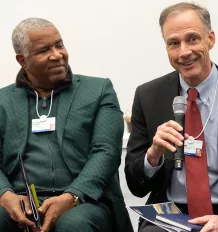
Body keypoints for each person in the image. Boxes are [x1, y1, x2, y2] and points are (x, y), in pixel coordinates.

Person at [125, 2, 218, 232]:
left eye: (193, 39)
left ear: (211, 39)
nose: (184, 52)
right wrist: (153, 154)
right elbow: (136, 185)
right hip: (171, 214)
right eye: (173, 43)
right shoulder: (148, 97)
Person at [0, 18, 133, 232]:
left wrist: (72, 196)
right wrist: (5, 194)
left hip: (85, 201)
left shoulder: (98, 90)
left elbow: (106, 152)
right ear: (22, 60)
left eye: (59, 45)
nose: (57, 55)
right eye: (44, 50)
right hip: (21, 201)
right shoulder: (3, 101)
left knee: (74, 224)